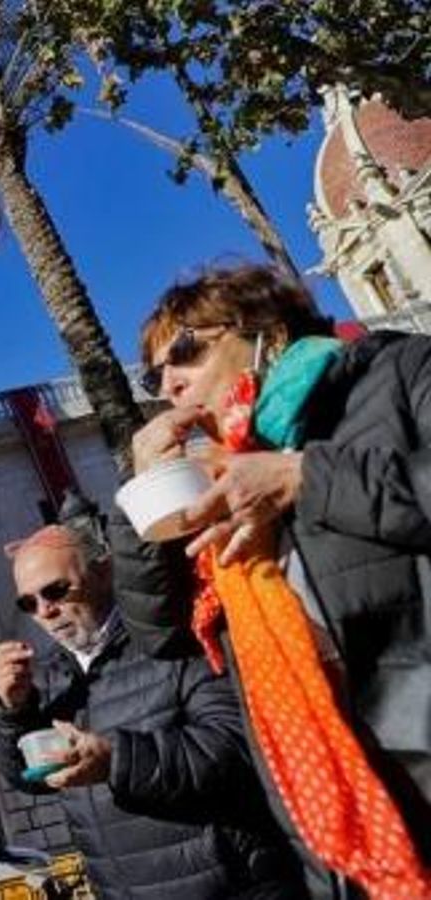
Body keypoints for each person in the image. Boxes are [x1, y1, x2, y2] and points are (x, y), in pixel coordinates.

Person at [116, 263, 431, 894]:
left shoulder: (395, 372)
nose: (170, 384)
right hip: (334, 813)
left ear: (265, 329)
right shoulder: (219, 477)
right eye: (155, 377)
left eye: (185, 351)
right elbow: (160, 634)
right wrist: (144, 498)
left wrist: (305, 476)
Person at [0, 525, 304, 897]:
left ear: (105, 571)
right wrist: (12, 710)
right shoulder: (50, 677)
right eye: (28, 603)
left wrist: (116, 759)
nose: (45, 611)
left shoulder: (176, 637)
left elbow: (235, 745)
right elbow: (28, 779)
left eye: (56, 590)